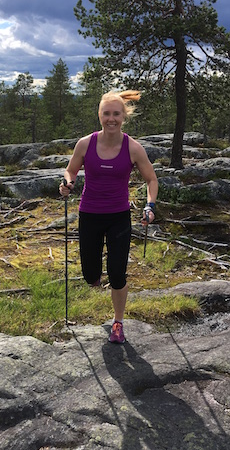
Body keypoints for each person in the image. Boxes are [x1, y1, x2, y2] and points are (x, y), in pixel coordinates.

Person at [59, 90, 158, 344]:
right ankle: (96, 277)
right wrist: (67, 183)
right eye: (106, 113)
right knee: (91, 275)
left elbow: (151, 179)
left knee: (117, 273)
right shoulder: (85, 144)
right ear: (100, 115)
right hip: (89, 215)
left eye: (116, 114)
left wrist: (150, 205)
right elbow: (70, 171)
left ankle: (118, 322)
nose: (111, 119)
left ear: (124, 116)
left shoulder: (133, 148)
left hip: (118, 217)